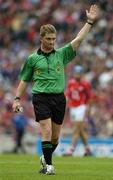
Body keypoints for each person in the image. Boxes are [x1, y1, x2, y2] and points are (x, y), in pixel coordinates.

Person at [12, 4, 99, 175]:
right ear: (41, 38)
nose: (52, 42)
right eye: (49, 39)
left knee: (55, 137)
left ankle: (45, 158)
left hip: (59, 98)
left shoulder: (61, 54)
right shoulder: (32, 59)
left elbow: (78, 40)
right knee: (46, 129)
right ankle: (49, 167)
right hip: (40, 97)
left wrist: (89, 22)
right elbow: (24, 80)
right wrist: (16, 99)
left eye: (54, 39)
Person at [64, 65, 94, 156]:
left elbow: (90, 98)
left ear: (82, 74)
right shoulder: (71, 83)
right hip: (73, 108)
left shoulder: (85, 84)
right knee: (80, 130)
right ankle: (88, 149)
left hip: (81, 107)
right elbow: (67, 95)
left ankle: (71, 150)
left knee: (76, 129)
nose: (77, 75)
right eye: (76, 73)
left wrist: (89, 109)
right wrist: (65, 106)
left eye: (79, 73)